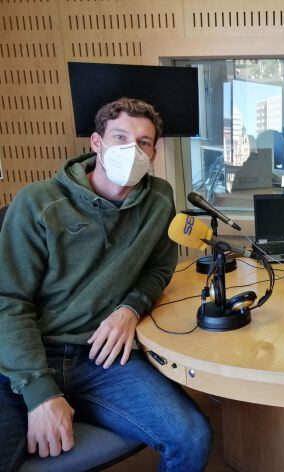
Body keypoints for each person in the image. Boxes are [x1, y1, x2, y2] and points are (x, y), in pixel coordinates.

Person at [0, 98, 212, 471]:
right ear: (97, 143)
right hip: (27, 358)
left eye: (144, 142)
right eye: (120, 137)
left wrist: (132, 306)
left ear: (154, 151)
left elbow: (159, 268)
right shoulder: (38, 203)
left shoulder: (159, 199)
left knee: (191, 436)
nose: (132, 150)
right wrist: (39, 393)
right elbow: (8, 302)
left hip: (102, 359)